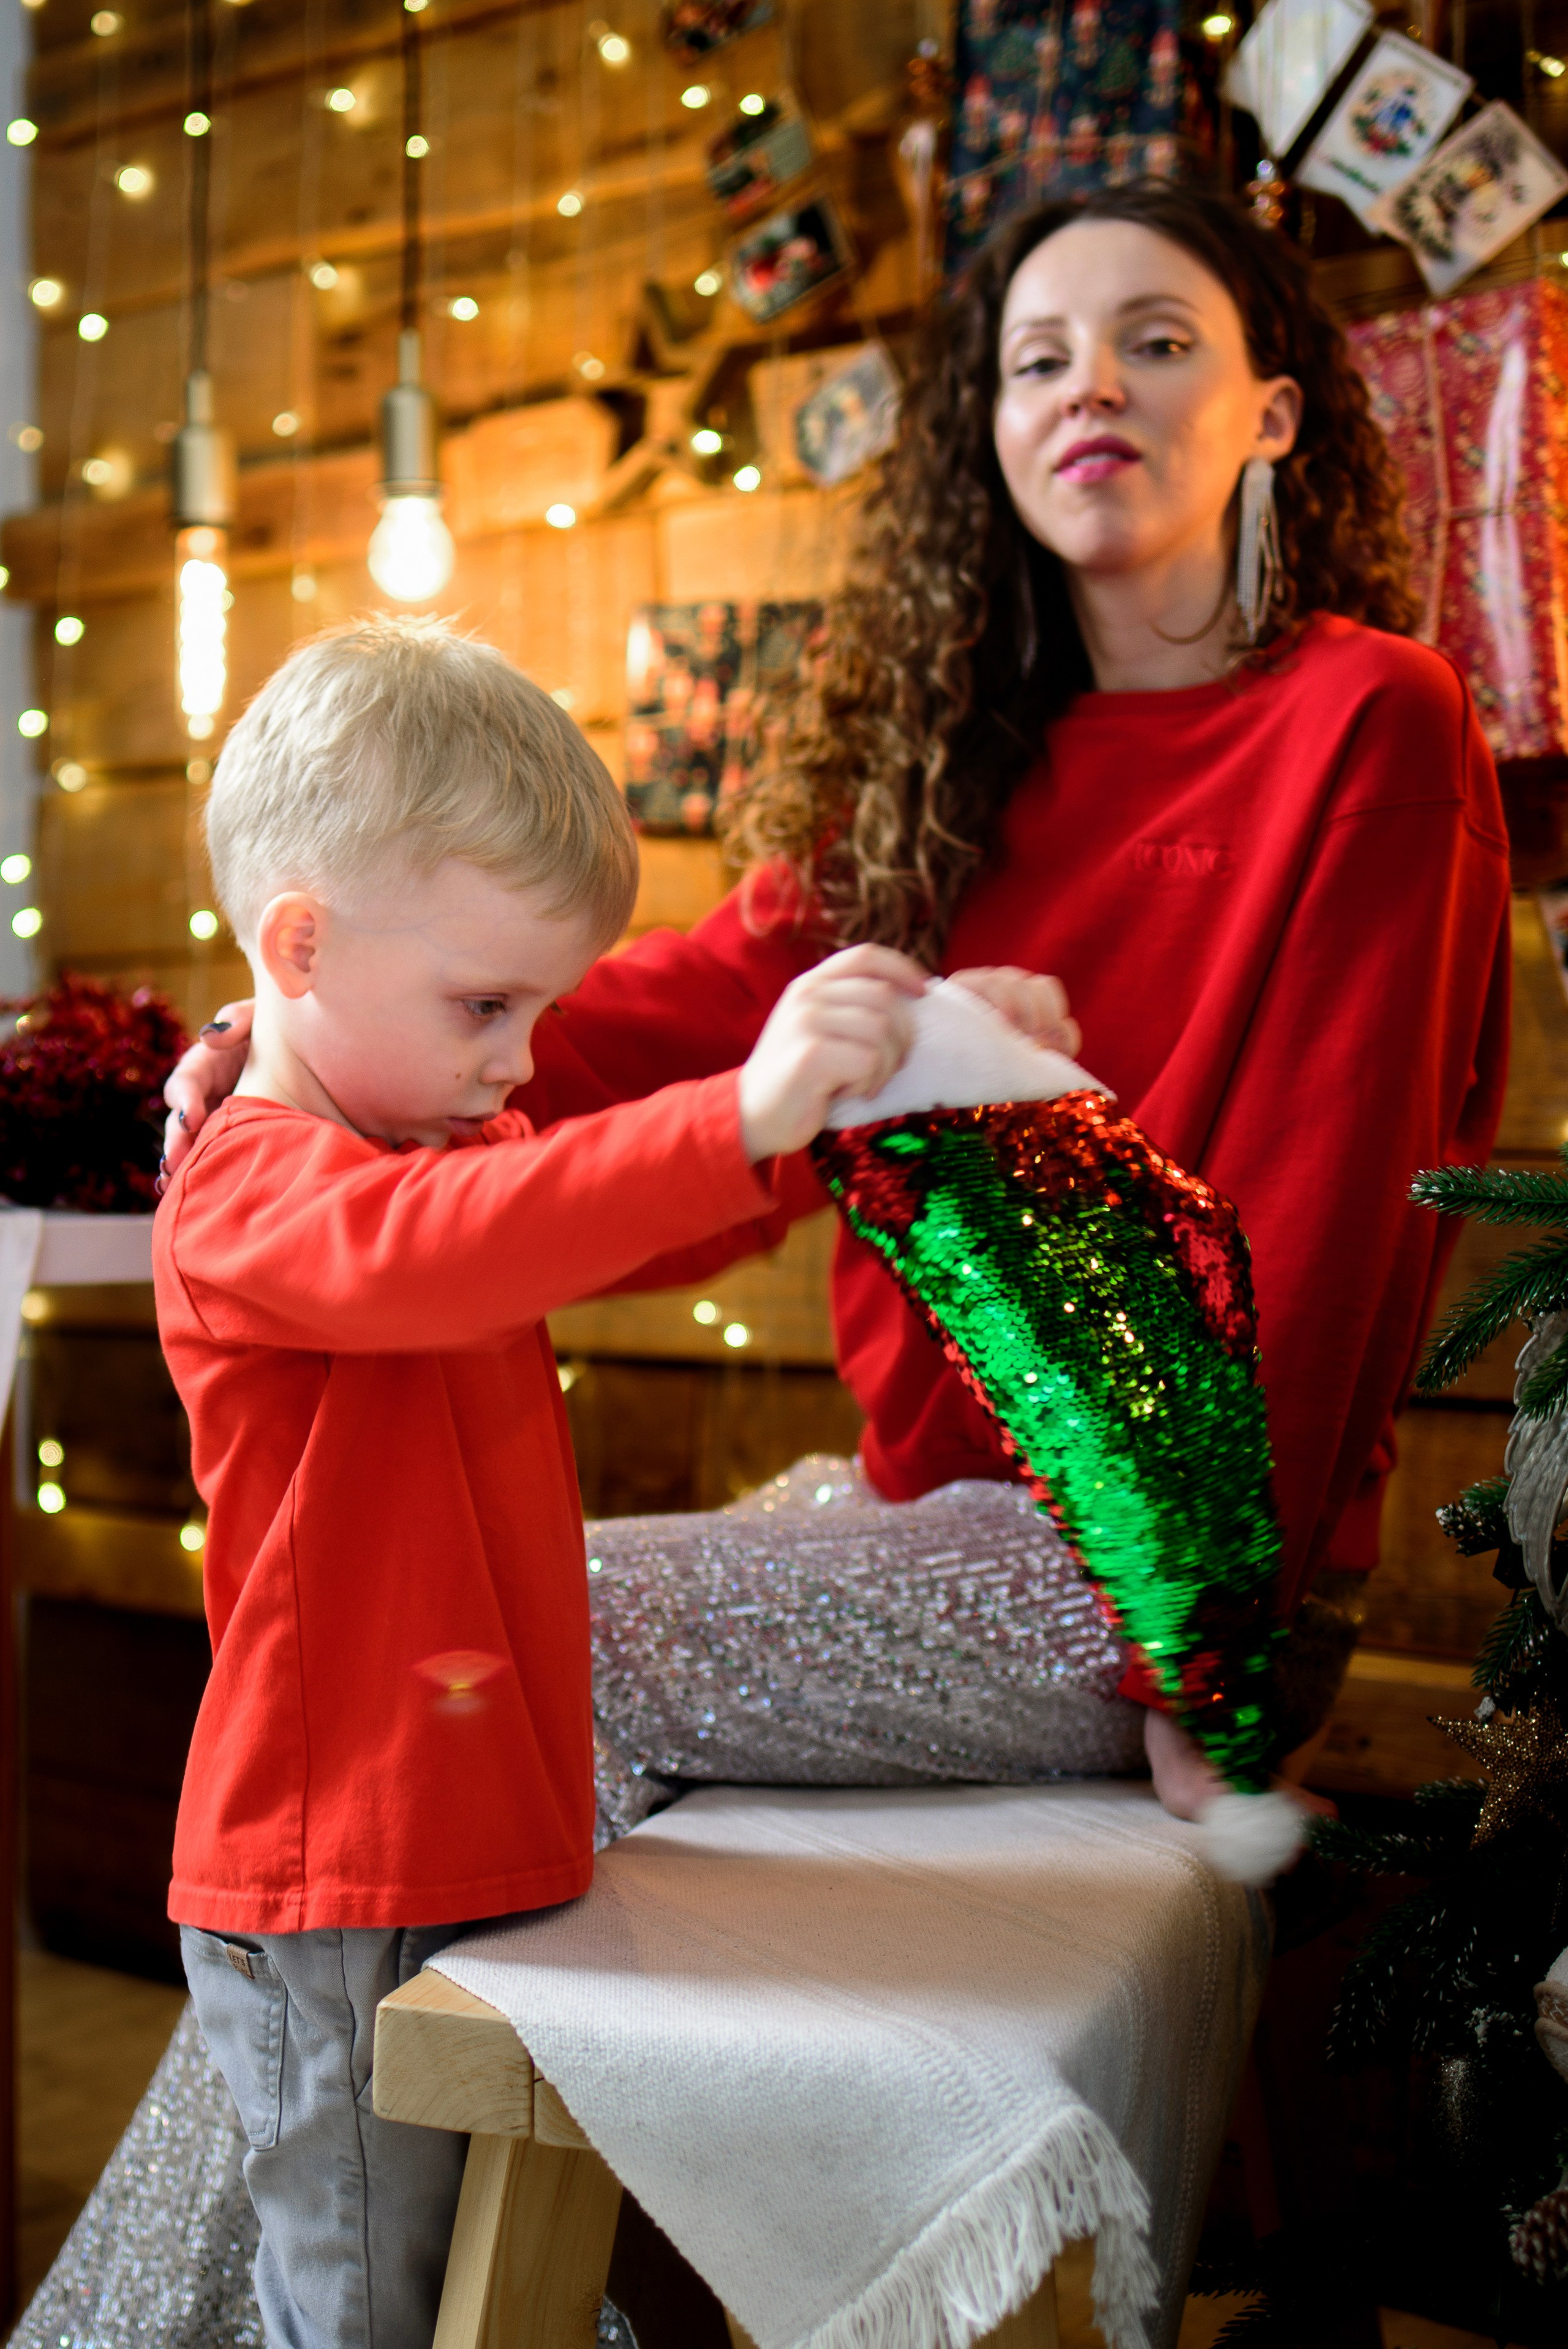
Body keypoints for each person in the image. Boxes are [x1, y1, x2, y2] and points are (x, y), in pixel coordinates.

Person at [165, 182, 1510, 1830]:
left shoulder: (1375, 717)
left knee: (482, 1622)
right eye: (1038, 361)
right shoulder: (945, 762)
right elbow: (668, 1021)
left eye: (1157, 344)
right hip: (921, 1501)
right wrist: (283, 1050)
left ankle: (350, 2012)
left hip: (1164, 1566)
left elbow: (1327, 1218)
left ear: (1274, 413)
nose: (1091, 384)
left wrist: (1202, 1652)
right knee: (459, 1607)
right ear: (990, 435)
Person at [153, 613, 955, 2349]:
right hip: (341, 1876)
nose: (520, 1059)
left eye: (542, 1009)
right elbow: (464, 1236)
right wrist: (737, 1110)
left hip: (477, 1829)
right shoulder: (251, 1188)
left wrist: (877, 1094)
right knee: (374, 2313)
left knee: (505, 2294)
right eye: (485, 1005)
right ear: (298, 946)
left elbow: (574, 1212)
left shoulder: (439, 1142)